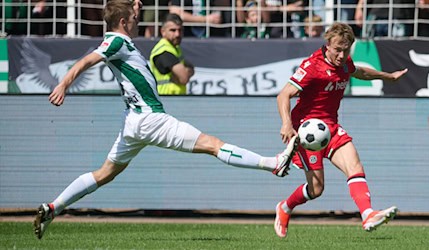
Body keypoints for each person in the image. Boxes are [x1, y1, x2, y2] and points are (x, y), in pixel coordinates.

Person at [34, 0, 300, 240]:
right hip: (150, 119)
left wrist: (134, 6)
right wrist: (64, 84)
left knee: (103, 174)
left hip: (133, 122)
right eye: (135, 18)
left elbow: (125, 17)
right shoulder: (115, 41)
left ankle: (52, 208)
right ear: (124, 23)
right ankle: (273, 164)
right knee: (213, 144)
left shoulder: (122, 37)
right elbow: (88, 60)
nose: (139, 20)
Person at [273, 22, 408, 238]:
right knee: (316, 190)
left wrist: (388, 76)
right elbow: (283, 95)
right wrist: (286, 124)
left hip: (332, 128)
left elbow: (359, 72)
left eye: (346, 50)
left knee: (354, 165)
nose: (341, 54)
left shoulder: (344, 63)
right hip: (306, 132)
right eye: (337, 49)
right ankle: (285, 207)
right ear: (327, 45)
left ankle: (367, 214)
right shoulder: (311, 67)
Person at [150, 13, 193, 95]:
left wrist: (184, 72)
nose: (177, 34)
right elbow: (184, 78)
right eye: (173, 30)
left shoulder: (174, 48)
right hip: (167, 99)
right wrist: (185, 72)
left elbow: (190, 67)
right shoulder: (164, 51)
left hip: (175, 99)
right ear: (163, 32)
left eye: (180, 30)